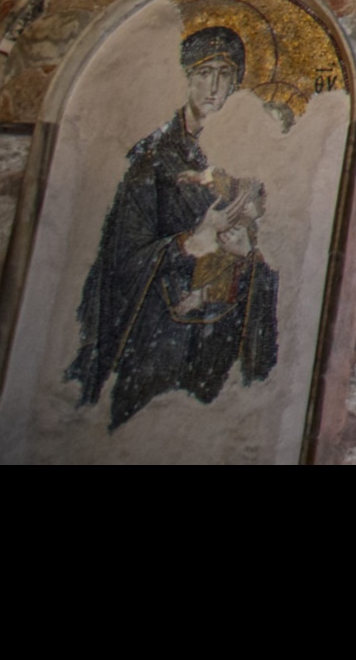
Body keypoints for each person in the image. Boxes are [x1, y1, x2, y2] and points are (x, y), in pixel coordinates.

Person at [62, 26, 279, 431]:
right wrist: (191, 243)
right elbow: (120, 260)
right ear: (186, 77)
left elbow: (267, 265)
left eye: (225, 74)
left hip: (218, 344)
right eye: (203, 72)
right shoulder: (155, 161)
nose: (214, 86)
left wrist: (245, 256)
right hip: (155, 340)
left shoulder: (248, 162)